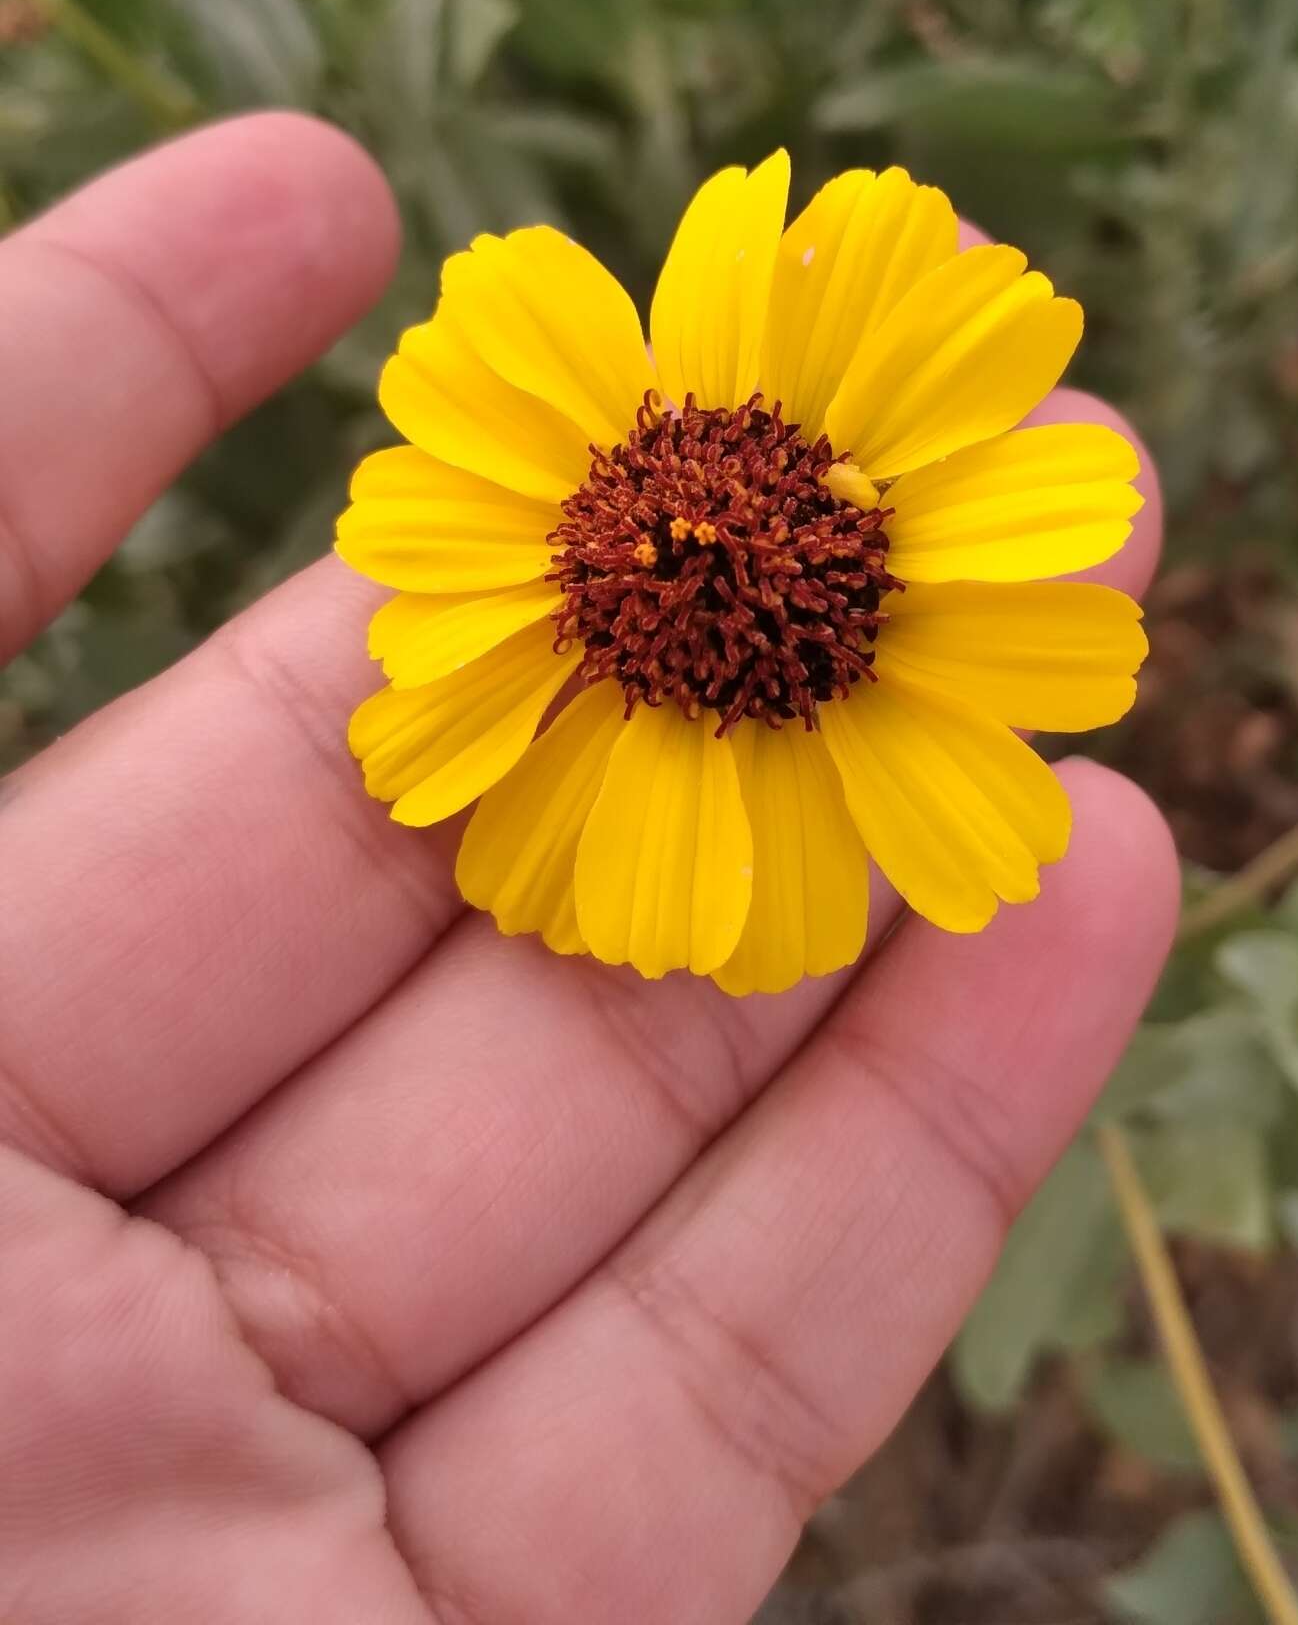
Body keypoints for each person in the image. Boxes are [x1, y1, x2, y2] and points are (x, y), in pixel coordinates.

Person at [0, 114, 1179, 1623]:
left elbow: (1049, 569)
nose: (704, 553)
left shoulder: (836, 601)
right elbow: (460, 675)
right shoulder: (578, 627)